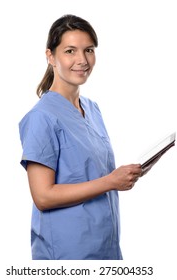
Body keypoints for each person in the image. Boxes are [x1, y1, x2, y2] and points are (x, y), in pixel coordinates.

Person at [19, 14, 144, 260]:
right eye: (70, 51)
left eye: (88, 50)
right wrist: (111, 181)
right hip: (68, 255)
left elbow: (92, 173)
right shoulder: (41, 117)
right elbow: (43, 196)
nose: (82, 60)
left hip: (105, 248)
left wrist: (122, 176)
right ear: (50, 57)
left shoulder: (92, 109)